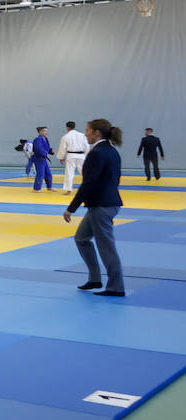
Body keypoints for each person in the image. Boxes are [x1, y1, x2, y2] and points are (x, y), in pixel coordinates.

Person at [64, 119, 125, 297]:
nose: (86, 134)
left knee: (106, 247)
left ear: (97, 132)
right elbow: (116, 178)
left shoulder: (97, 152)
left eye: (88, 131)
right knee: (81, 238)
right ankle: (95, 278)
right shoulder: (111, 151)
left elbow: (88, 183)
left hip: (102, 205)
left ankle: (116, 287)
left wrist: (71, 208)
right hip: (105, 202)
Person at [56, 120, 88, 195]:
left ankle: (68, 190)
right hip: (81, 155)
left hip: (71, 156)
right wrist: (87, 156)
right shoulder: (82, 135)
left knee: (69, 173)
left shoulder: (66, 136)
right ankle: (90, 188)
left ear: (67, 127)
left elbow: (62, 148)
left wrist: (61, 157)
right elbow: (87, 146)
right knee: (85, 173)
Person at [30, 125, 54, 192]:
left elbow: (47, 148)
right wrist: (45, 153)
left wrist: (51, 151)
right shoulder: (37, 139)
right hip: (38, 159)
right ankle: (36, 189)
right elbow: (38, 148)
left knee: (48, 174)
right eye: (45, 131)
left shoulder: (45, 139)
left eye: (47, 131)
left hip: (43, 159)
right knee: (40, 174)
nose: (46, 132)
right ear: (40, 132)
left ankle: (49, 187)